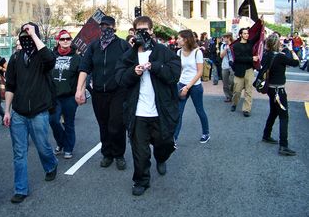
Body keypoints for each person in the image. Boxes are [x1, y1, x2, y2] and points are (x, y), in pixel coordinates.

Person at [115, 16, 181, 196]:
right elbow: (120, 78)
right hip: (138, 112)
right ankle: (141, 180)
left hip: (161, 111)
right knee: (140, 151)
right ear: (134, 32)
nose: (142, 33)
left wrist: (156, 67)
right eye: (139, 31)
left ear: (151, 31)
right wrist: (132, 72)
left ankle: (161, 157)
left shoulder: (164, 52)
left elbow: (174, 74)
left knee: (164, 142)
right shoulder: (129, 56)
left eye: (145, 30)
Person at [4, 22, 58, 204]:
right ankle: (21, 189)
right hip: (18, 113)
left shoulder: (42, 58)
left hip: (39, 112)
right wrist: (7, 111)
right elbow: (10, 85)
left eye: (30, 34)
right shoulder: (15, 58)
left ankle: (51, 165)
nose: (26, 38)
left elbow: (51, 59)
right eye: (24, 34)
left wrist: (35, 35)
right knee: (19, 152)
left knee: (42, 146)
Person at [75, 16, 131, 170]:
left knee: (116, 124)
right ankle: (107, 154)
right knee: (103, 124)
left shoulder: (123, 45)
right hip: (99, 92)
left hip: (118, 92)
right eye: (102, 26)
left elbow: (131, 67)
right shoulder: (93, 46)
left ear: (114, 28)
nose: (104, 29)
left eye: (108, 26)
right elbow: (84, 68)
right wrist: (79, 89)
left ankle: (119, 154)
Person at [261, 34, 299, 156]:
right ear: (277, 44)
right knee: (284, 116)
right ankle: (283, 145)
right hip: (279, 90)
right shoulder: (280, 57)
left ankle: (266, 135)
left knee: (273, 112)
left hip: (270, 89)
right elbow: (295, 63)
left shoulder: (266, 55)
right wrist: (292, 50)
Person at [174, 29, 210, 144]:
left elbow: (199, 72)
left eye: (179, 38)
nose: (177, 40)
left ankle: (206, 133)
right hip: (182, 83)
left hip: (195, 86)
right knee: (178, 112)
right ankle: (174, 138)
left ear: (185, 40)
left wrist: (187, 87)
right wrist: (178, 83)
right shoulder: (178, 52)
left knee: (200, 110)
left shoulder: (197, 52)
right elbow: (180, 70)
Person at [49, 30, 81, 159]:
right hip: (54, 97)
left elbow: (82, 75)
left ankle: (68, 148)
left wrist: (80, 92)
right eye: (62, 39)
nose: (65, 41)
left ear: (71, 40)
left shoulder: (77, 58)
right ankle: (61, 142)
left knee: (69, 123)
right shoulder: (52, 56)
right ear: (58, 41)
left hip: (70, 96)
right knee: (53, 120)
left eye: (68, 38)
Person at [230, 27, 260, 117]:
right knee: (237, 91)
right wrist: (251, 58)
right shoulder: (236, 46)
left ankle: (246, 109)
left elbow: (258, 36)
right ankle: (234, 103)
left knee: (249, 91)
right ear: (240, 35)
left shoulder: (250, 43)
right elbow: (238, 58)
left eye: (247, 33)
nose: (247, 35)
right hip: (239, 71)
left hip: (249, 70)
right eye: (244, 33)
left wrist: (261, 24)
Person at [219, 32, 235, 102]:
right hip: (225, 66)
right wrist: (226, 49)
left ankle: (232, 94)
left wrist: (230, 48)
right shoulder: (223, 45)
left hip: (233, 66)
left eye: (225, 37)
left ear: (229, 37)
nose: (224, 39)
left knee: (232, 82)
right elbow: (221, 56)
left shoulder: (234, 44)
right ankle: (228, 96)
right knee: (225, 83)